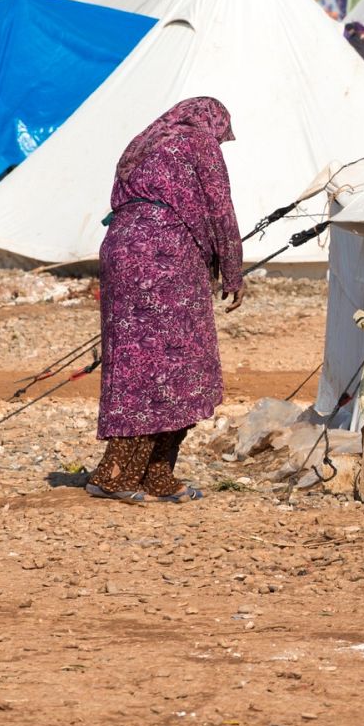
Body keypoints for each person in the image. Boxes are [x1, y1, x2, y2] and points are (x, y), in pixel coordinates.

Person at [86, 97, 243, 503]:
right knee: (177, 367)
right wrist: (232, 269)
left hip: (120, 249)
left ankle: (152, 475)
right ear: (214, 123)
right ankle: (119, 474)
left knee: (135, 365)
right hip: (166, 254)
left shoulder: (144, 141)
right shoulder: (198, 144)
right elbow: (220, 207)